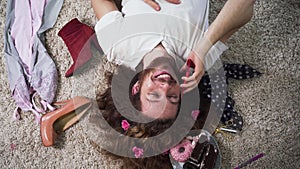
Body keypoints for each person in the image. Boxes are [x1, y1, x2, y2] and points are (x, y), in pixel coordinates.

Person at [89, 0, 256, 168]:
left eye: (154, 95)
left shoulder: (118, 45)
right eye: (172, 97)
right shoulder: (198, 57)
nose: (165, 86)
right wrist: (204, 46)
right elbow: (245, 7)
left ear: (136, 88)